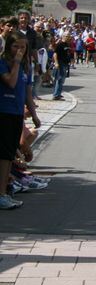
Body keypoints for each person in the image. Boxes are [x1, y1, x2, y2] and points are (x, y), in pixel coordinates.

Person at [0, 31, 33, 210]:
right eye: (15, 46)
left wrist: (33, 114)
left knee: (9, 154)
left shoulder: (25, 66)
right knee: (4, 155)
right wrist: (17, 62)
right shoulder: (3, 63)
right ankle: (1, 193)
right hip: (3, 112)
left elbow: (25, 91)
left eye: (23, 47)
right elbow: (11, 83)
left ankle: (4, 191)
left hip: (16, 113)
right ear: (8, 47)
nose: (19, 50)